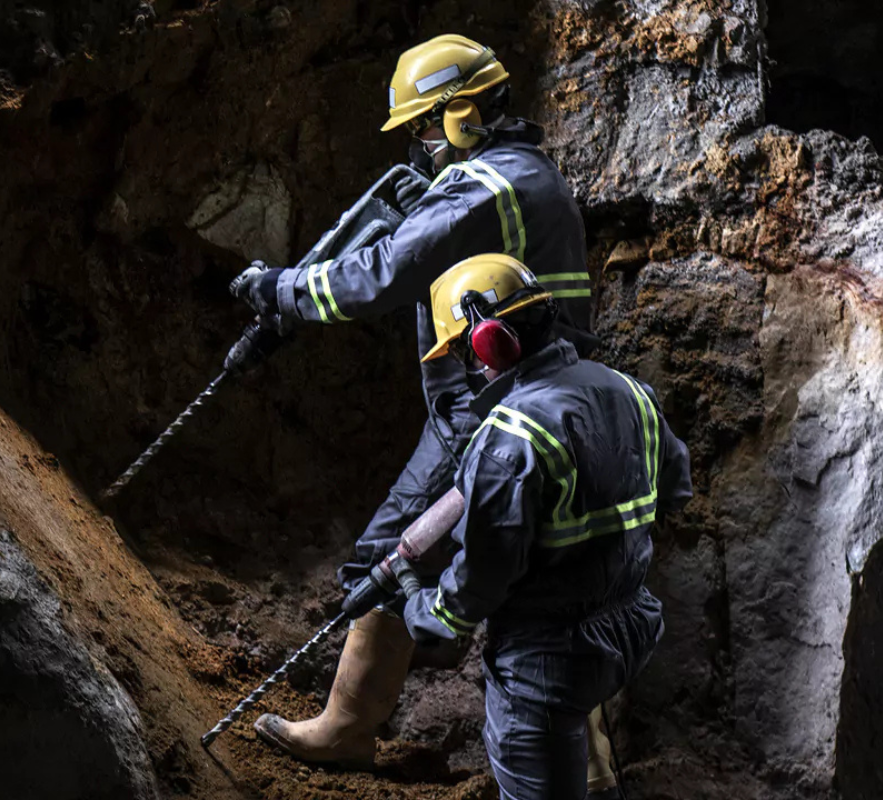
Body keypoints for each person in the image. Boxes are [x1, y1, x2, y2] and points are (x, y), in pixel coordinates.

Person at [231, 34, 612, 787]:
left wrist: (285, 292)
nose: (421, 142)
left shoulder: (485, 187)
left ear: (465, 113)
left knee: (382, 561)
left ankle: (345, 728)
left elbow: (384, 273)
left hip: (488, 415)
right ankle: (595, 775)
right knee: (554, 588)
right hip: (549, 403)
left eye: (427, 126)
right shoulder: (522, 174)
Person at [400, 253, 693, 799]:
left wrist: (421, 602)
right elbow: (674, 490)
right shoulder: (630, 391)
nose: (469, 367)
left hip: (546, 665)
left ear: (488, 342)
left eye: (465, 352)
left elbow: (479, 584)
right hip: (627, 629)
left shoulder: (508, 438)